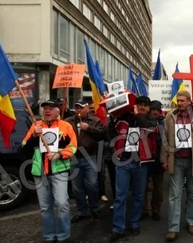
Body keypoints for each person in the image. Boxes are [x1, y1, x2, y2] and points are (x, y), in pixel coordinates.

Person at [22, 100, 78, 243]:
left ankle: (63, 236)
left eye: (50, 108)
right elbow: (24, 147)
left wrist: (59, 154)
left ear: (57, 111)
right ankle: (49, 237)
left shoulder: (66, 126)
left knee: (62, 204)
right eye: (45, 108)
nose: (47, 111)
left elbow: (73, 147)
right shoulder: (36, 126)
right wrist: (34, 136)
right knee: (45, 208)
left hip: (59, 170)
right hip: (40, 172)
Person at [161, 90, 193, 241]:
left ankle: (191, 222)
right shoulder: (170, 117)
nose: (180, 103)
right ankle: (173, 228)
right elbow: (164, 139)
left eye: (183, 100)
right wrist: (164, 159)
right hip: (176, 161)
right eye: (179, 100)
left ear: (190, 101)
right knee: (174, 195)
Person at [110, 95, 157, 241]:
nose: (142, 107)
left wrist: (137, 115)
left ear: (148, 108)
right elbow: (110, 131)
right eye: (139, 104)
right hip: (123, 162)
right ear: (135, 105)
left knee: (138, 195)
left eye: (145, 105)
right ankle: (118, 228)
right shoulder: (123, 118)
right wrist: (113, 148)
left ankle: (134, 223)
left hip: (140, 163)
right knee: (120, 196)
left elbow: (149, 129)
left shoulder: (150, 121)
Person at [65, 99, 106, 223]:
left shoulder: (95, 120)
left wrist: (88, 128)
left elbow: (103, 135)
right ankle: (81, 211)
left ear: (87, 108)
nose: (78, 110)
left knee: (92, 184)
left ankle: (94, 208)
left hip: (90, 157)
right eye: (76, 108)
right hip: (74, 157)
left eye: (81, 107)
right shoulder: (68, 122)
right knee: (77, 187)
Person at [142, 100, 165, 221]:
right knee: (143, 187)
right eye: (153, 109)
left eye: (157, 110)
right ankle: (144, 209)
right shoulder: (144, 120)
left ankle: (156, 209)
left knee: (158, 189)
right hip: (145, 159)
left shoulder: (163, 123)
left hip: (158, 160)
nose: (155, 112)